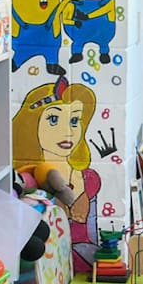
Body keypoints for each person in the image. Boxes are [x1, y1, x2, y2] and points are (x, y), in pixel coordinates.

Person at [12, 77, 100, 273]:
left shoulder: (90, 179)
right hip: (41, 269)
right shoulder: (28, 179)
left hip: (76, 266)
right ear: (32, 123)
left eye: (74, 121)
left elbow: (92, 233)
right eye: (53, 119)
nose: (67, 132)